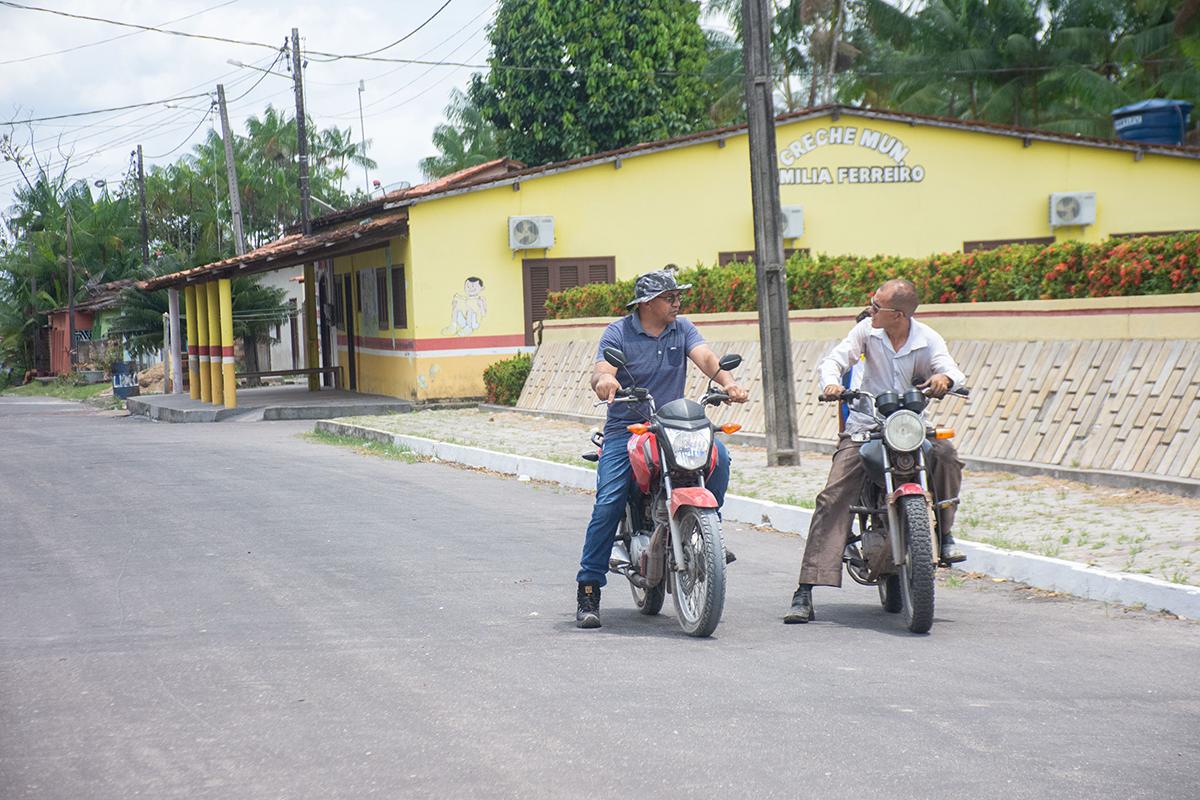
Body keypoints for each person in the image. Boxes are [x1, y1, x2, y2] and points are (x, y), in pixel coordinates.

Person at [784, 279, 967, 624]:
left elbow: (950, 367)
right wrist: (831, 383)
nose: (870, 308)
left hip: (909, 428)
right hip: (866, 426)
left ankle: (945, 535)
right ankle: (805, 590)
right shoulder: (867, 331)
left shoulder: (927, 338)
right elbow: (834, 360)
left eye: (876, 304)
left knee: (946, 456)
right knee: (833, 495)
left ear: (897, 314)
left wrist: (945, 379)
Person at [576, 269, 749, 629]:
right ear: (647, 303)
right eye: (670, 297)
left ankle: (708, 530)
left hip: (674, 425)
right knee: (609, 501)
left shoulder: (682, 328)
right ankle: (589, 588)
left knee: (721, 457)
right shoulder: (619, 331)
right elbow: (601, 371)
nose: (677, 303)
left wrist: (729, 383)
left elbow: (705, 359)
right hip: (628, 428)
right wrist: (606, 380)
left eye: (677, 297)